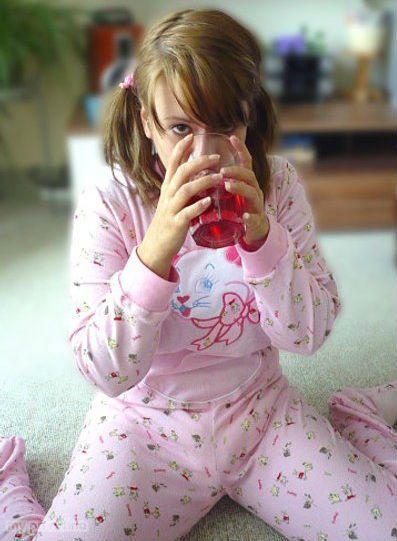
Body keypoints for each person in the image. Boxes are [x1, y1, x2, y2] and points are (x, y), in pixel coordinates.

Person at [1, 8, 397, 541]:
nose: (205, 155)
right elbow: (102, 368)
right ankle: (9, 488)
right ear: (146, 120)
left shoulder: (276, 185)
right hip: (143, 425)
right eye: (181, 129)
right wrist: (155, 250)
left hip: (259, 414)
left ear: (247, 117)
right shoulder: (111, 201)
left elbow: (309, 335)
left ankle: (358, 414)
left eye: (224, 126)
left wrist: (264, 243)